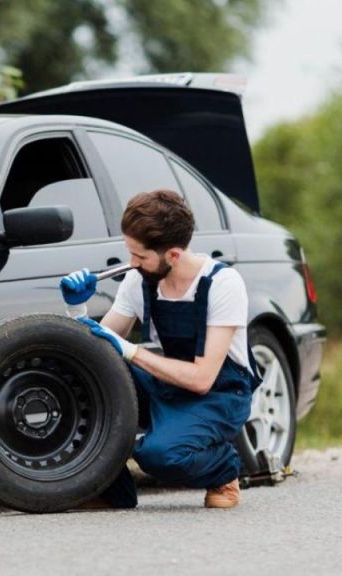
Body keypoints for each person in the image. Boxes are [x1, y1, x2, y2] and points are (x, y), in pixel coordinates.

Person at [60, 190, 261, 509]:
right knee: (85, 373)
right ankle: (110, 490)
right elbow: (98, 347)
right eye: (130, 253)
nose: (131, 263)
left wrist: (130, 351)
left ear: (174, 256)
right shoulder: (138, 279)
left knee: (160, 455)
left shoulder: (223, 284)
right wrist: (77, 310)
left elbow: (202, 379)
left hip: (219, 395)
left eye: (140, 256)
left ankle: (224, 469)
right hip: (169, 382)